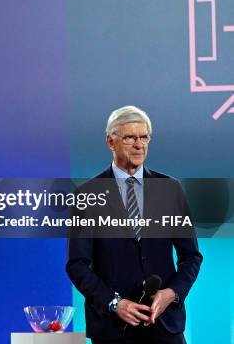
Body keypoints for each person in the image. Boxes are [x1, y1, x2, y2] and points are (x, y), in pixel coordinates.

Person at [66, 105, 202, 344]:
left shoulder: (170, 189)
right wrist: (114, 303)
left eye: (144, 137)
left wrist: (171, 294)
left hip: (164, 325)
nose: (139, 145)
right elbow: (77, 265)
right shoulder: (87, 195)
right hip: (112, 329)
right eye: (130, 137)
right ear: (111, 141)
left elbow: (191, 256)